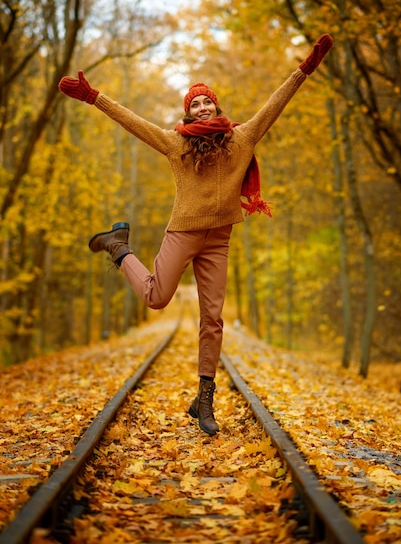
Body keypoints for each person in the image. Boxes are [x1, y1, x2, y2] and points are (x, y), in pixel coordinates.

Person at [58, 33, 334, 436]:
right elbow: (133, 122)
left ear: (216, 106)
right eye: (195, 104)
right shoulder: (176, 145)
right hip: (184, 233)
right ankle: (118, 247)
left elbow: (277, 103)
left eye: (207, 101)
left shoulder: (242, 138)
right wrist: (93, 96)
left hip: (219, 239)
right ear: (189, 114)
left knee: (213, 318)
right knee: (156, 297)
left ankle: (205, 400)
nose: (202, 107)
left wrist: (306, 67)